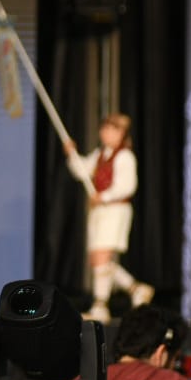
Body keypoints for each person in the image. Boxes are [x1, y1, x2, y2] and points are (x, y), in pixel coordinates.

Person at [64, 113, 151, 323]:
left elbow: (127, 186)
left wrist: (103, 196)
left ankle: (100, 305)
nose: (106, 133)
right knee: (99, 259)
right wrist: (72, 154)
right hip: (100, 212)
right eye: (105, 128)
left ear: (121, 133)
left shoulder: (125, 157)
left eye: (111, 129)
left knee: (101, 256)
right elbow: (82, 171)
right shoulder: (100, 154)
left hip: (114, 210)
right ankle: (135, 288)